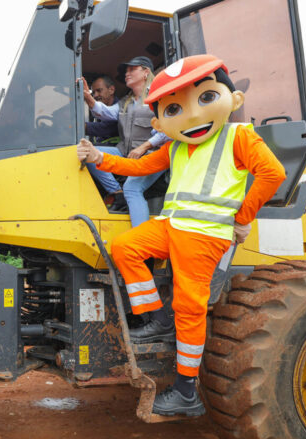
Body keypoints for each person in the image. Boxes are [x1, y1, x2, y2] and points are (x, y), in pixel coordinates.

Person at [77, 54, 286, 416]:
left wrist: (243, 217)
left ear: (232, 99)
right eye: (174, 108)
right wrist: (99, 157)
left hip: (205, 234)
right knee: (125, 246)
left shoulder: (238, 136)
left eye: (205, 98)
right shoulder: (177, 146)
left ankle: (186, 391)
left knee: (189, 307)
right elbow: (139, 167)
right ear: (160, 120)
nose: (190, 115)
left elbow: (273, 174)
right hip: (172, 226)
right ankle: (157, 320)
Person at [83, 56, 171, 220]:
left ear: (145, 72)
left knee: (133, 189)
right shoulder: (127, 101)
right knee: (89, 154)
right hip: (125, 152)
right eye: (126, 70)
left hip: (152, 155)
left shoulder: (160, 96)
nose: (127, 73)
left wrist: (144, 146)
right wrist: (88, 97)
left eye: (132, 69)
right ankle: (117, 192)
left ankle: (141, 238)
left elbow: (171, 129)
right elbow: (108, 113)